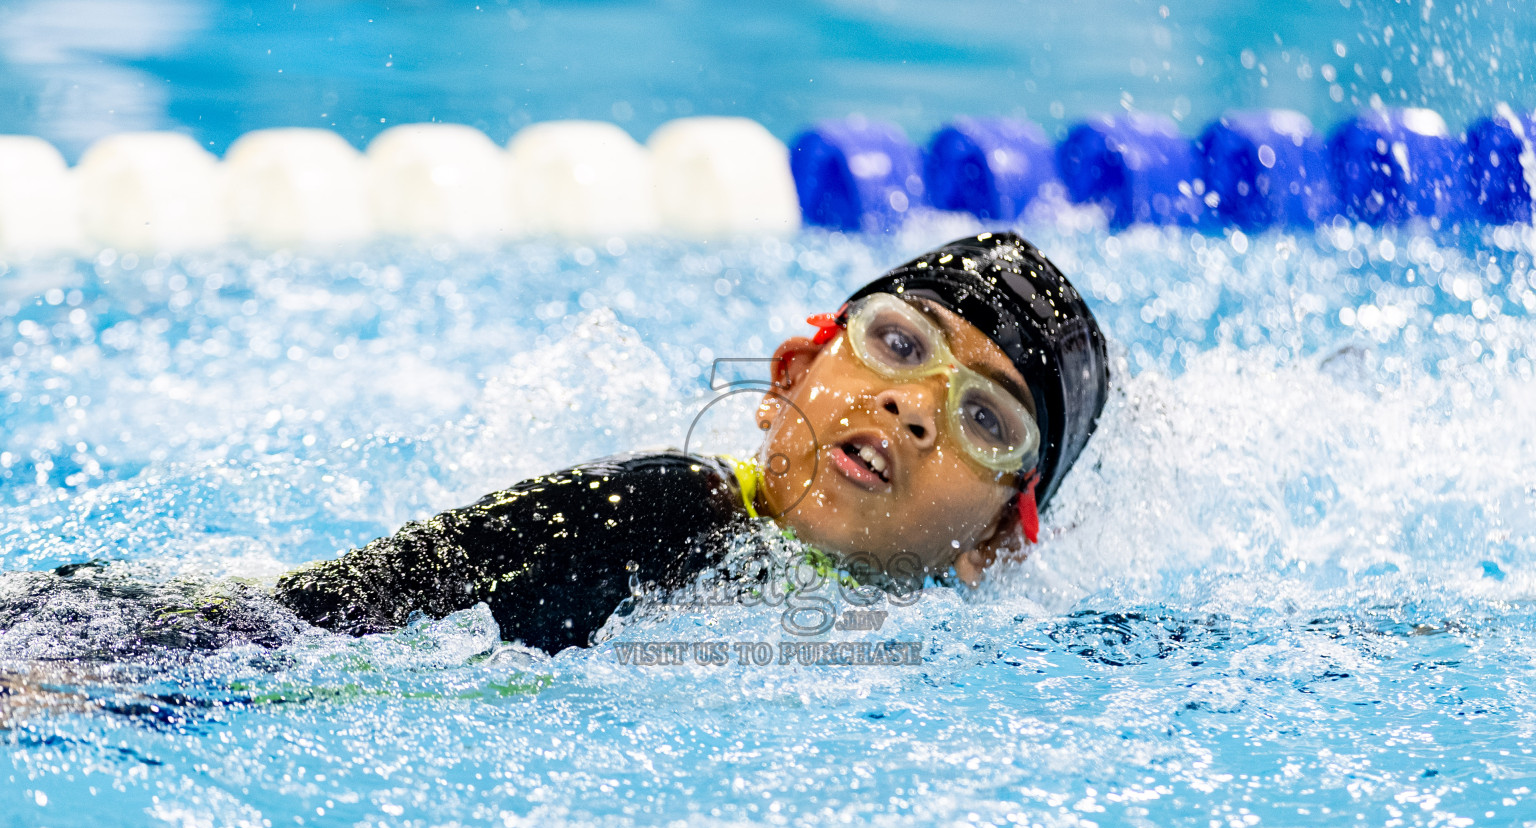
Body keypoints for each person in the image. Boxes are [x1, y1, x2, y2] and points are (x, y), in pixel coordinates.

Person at [272, 231, 1109, 654]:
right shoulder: (655, 514)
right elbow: (292, 629)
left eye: (986, 420)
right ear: (786, 382)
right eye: (897, 342)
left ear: (997, 541)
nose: (914, 406)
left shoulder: (961, 660)